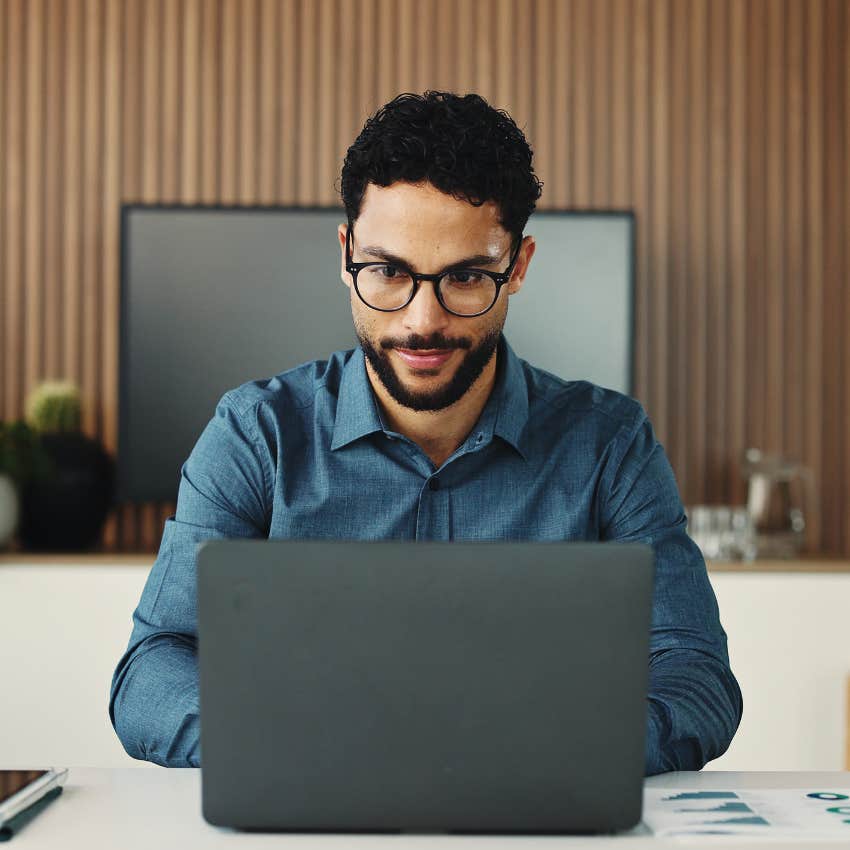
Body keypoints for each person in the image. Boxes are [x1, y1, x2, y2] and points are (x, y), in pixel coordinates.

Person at [109, 90, 742, 774]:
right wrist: (280, 750)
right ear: (346, 252)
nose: (421, 321)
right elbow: (153, 667)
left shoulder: (610, 444)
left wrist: (562, 751)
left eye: (466, 277)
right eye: (388, 272)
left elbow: (695, 674)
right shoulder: (256, 433)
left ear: (518, 266)